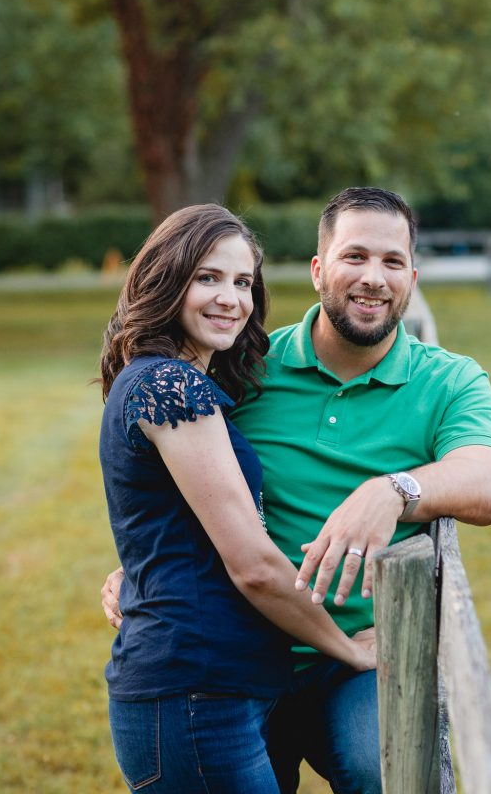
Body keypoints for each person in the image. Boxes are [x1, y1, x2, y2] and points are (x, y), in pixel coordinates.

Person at [102, 187, 491, 794]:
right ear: (319, 268)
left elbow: (489, 482)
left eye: (392, 262)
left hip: (355, 660)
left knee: (386, 768)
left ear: (412, 277)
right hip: (238, 653)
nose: (374, 278)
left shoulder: (448, 378)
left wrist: (392, 490)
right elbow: (173, 478)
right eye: (355, 257)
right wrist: (142, 567)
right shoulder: (244, 367)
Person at [98, 204, 376, 794]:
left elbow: (168, 527)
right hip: (195, 694)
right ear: (166, 279)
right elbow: (252, 566)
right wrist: (347, 650)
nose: (232, 298)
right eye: (208, 277)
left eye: (243, 281)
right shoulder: (170, 386)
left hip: (217, 688)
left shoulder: (176, 382)